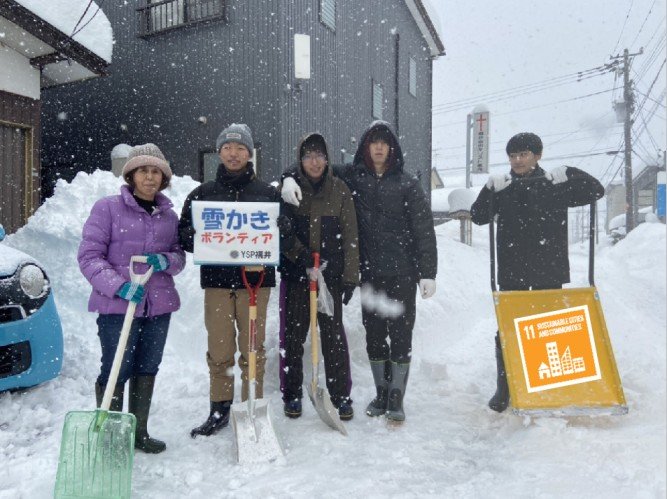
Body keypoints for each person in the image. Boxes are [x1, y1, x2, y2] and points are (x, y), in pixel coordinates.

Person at [281, 121, 437, 423]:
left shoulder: (407, 184)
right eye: (373, 142)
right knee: (375, 335)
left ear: (392, 148)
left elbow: (424, 230)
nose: (378, 147)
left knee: (401, 333)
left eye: (384, 142)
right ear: (365, 147)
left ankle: (396, 396)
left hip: (402, 273)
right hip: (371, 274)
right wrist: (288, 178)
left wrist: (427, 271)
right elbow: (312, 164)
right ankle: (381, 393)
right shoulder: (354, 176)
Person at [470, 132, 605, 413]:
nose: (517, 160)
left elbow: (596, 190)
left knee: (550, 327)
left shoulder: (553, 184)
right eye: (513, 155)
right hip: (512, 269)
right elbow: (478, 215)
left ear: (538, 156)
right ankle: (505, 387)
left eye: (524, 154)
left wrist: (571, 173)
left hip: (548, 267)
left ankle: (550, 387)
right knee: (508, 327)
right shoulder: (504, 187)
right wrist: (489, 189)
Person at [78, 143, 185, 454]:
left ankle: (138, 432)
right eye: (143, 171)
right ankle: (111, 437)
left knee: (147, 366)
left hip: (158, 306)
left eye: (156, 172)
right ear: (131, 175)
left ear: (163, 178)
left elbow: (178, 256)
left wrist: (167, 261)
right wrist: (119, 285)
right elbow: (89, 256)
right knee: (117, 368)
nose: (150, 177)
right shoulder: (107, 208)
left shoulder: (168, 215)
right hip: (117, 306)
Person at [179, 123, 282, 437]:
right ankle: (220, 408)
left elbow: (285, 231)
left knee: (253, 347)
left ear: (249, 153)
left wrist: (278, 227)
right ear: (219, 152)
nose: (233, 153)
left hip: (256, 282)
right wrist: (205, 241)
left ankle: (253, 406)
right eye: (227, 148)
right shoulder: (203, 194)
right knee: (220, 348)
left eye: (240, 148)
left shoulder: (267, 194)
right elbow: (184, 234)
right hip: (217, 282)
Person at [279, 132, 359, 421]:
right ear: (301, 160)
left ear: (327, 159)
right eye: (308, 156)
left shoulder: (339, 190)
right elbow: (282, 231)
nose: (314, 162)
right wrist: (300, 257)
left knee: (333, 337)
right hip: (297, 276)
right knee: (292, 337)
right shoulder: (289, 189)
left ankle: (340, 395)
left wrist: (350, 277)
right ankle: (292, 394)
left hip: (331, 278)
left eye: (319, 156)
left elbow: (351, 235)